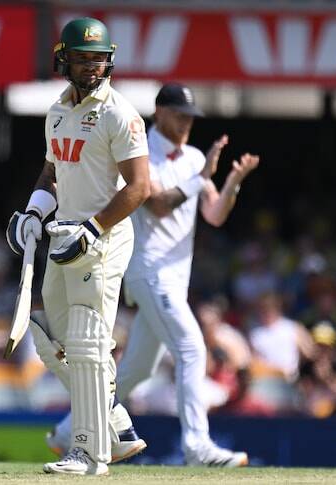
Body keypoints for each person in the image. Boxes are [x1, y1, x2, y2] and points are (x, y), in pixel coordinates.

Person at [46, 83, 259, 467]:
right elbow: (157, 203)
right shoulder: (141, 147)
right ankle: (197, 446)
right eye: (179, 115)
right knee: (191, 348)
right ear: (159, 112)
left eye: (191, 117)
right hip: (148, 272)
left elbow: (214, 214)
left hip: (174, 278)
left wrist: (232, 182)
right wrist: (201, 176)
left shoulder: (194, 158)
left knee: (136, 370)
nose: (186, 123)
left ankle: (67, 431)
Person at [7, 18, 150, 475]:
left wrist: (92, 228)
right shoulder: (56, 111)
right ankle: (116, 423)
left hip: (103, 237)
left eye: (98, 59)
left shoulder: (119, 113)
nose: (91, 66)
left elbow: (140, 187)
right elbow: (52, 173)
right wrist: (34, 212)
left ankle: (89, 453)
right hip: (63, 234)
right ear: (63, 60)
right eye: (82, 58)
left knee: (89, 344)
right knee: (50, 339)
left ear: (109, 62)